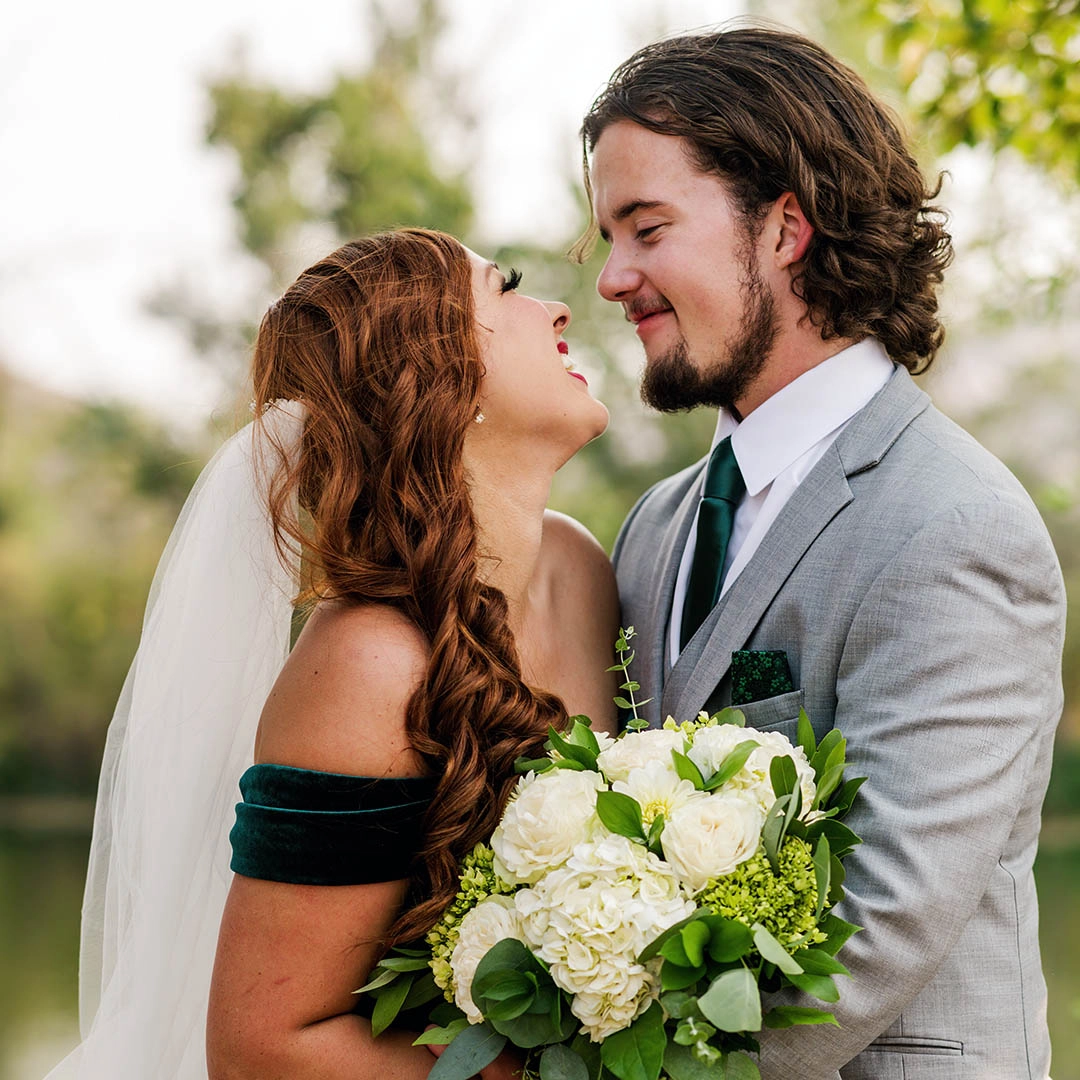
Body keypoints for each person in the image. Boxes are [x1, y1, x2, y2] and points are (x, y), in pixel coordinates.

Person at [577, 25, 1066, 1080]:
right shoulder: (657, 526)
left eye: (646, 228)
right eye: (607, 237)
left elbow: (874, 930)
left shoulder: (952, 525)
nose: (614, 278)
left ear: (785, 228)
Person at [46, 228, 618, 1079]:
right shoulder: (368, 664)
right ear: (446, 386)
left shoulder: (581, 570)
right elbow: (260, 1050)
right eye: (507, 290)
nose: (560, 306)